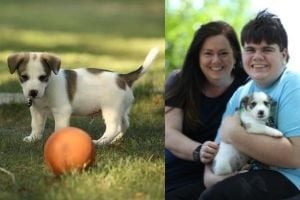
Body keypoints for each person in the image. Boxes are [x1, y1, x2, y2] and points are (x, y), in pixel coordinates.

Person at [199, 10, 300, 200]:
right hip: (245, 174)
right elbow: (213, 168)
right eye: (250, 49)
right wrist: (215, 177)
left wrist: (235, 133)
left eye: (267, 49)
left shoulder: (293, 84)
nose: (257, 57)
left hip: (290, 179)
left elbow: (296, 156)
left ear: (284, 55)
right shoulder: (240, 94)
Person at [165, 21, 248, 199]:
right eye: (208, 53)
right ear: (197, 57)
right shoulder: (180, 80)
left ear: (235, 55)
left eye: (223, 53)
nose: (216, 60)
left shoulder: (248, 86)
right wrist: (199, 150)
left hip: (219, 176)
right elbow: (168, 132)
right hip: (175, 170)